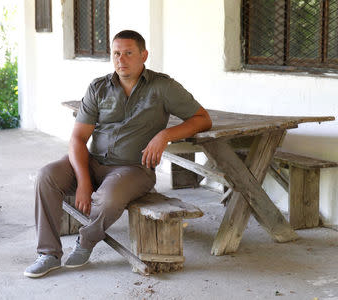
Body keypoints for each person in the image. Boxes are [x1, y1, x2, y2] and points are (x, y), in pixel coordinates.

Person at [24, 30, 212, 278]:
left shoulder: (163, 87)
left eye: (128, 53)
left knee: (109, 196)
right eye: (116, 54)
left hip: (133, 169)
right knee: (46, 176)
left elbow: (202, 119)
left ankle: (86, 242)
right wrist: (83, 181)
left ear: (144, 55)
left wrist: (164, 135)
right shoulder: (98, 87)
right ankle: (48, 254)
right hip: (94, 162)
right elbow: (78, 139)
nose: (121, 60)